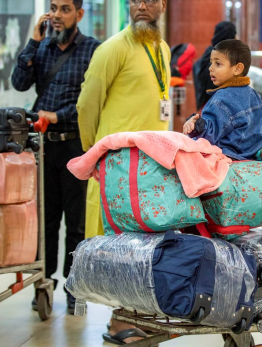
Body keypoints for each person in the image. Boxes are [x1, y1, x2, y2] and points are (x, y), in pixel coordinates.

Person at [76, 0, 170, 344]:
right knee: (117, 248)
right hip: (115, 170)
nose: (141, 5)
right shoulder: (112, 49)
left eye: (150, 0)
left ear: (162, 5)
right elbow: (87, 104)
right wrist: (94, 153)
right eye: (135, 0)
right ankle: (118, 321)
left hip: (150, 171)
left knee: (142, 247)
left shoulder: (161, 48)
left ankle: (136, 314)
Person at [10, 0, 100, 315]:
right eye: (53, 8)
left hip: (75, 146)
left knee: (75, 223)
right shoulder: (42, 47)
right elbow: (19, 83)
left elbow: (90, 101)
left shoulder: (92, 50)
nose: (57, 15)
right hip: (43, 147)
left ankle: (74, 286)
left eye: (64, 9)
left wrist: (57, 115)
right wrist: (33, 41)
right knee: (46, 221)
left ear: (79, 14)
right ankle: (43, 282)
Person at [183, 39, 262, 160]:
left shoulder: (222, 98)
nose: (210, 68)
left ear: (238, 69)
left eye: (218, 64)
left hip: (229, 156)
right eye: (211, 63)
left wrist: (195, 125)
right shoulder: (253, 93)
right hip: (252, 155)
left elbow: (209, 136)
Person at [193, 21, 236, 111]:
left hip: (207, 107)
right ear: (232, 37)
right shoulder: (223, 58)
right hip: (218, 109)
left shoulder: (208, 53)